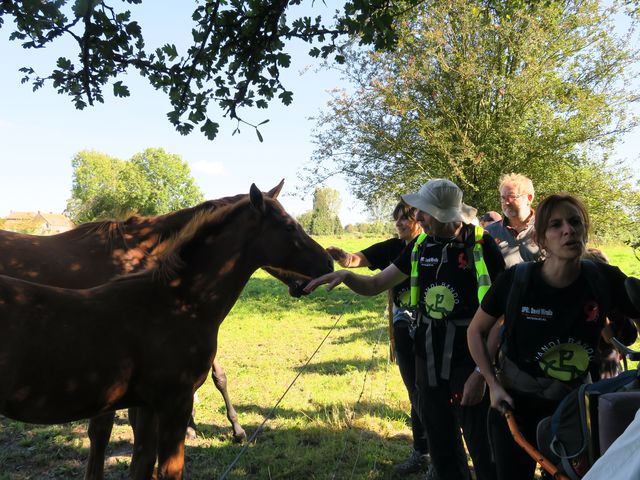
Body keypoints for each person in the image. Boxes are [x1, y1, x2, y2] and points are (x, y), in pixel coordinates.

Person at [305, 179, 505, 480]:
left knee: (483, 446)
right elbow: (375, 284)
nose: (419, 218)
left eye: (423, 212)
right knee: (442, 445)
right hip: (428, 357)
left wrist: (482, 374)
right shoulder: (418, 246)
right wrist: (347, 276)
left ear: (442, 215)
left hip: (470, 357)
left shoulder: (481, 244)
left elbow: (502, 313)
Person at [467, 193, 640, 480]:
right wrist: (492, 384)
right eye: (556, 225)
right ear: (542, 239)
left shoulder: (604, 278)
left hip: (573, 410)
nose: (568, 230)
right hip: (514, 406)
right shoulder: (518, 280)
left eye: (575, 222)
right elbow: (475, 331)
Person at [326, 202, 430, 475]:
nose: (399, 224)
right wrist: (343, 258)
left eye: (404, 219)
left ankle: (442, 452)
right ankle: (423, 451)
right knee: (416, 391)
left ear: (419, 219)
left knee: (434, 391)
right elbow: (358, 259)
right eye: (396, 219)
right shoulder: (392, 248)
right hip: (404, 328)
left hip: (436, 329)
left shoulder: (431, 247)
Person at [485, 173, 541, 267]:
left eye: (512, 197)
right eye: (503, 198)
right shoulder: (490, 232)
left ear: (529, 198)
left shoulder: (545, 228)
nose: (506, 202)